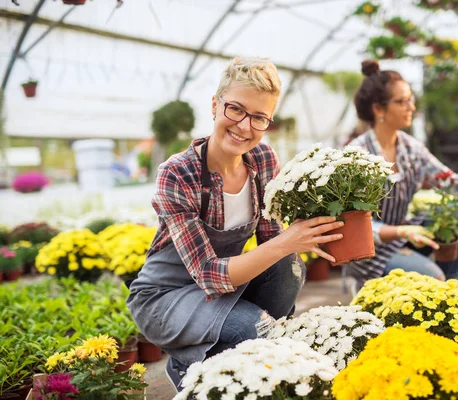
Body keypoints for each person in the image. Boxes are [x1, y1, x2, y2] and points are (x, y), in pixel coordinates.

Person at [126, 57, 344, 392]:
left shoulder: (263, 160)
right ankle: (197, 363)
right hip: (166, 297)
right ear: (215, 105)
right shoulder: (178, 172)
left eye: (259, 117)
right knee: (255, 330)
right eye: (236, 109)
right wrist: (288, 241)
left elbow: (273, 243)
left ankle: (214, 361)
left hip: (222, 289)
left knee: (290, 267)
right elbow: (210, 275)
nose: (244, 126)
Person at [346, 59, 458, 293]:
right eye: (401, 101)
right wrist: (403, 231)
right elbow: (354, 225)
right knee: (431, 276)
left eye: (410, 99)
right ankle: (369, 288)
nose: (411, 106)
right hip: (368, 251)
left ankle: (455, 287)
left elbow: (454, 188)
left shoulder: (411, 148)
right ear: (378, 109)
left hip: (402, 236)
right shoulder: (356, 155)